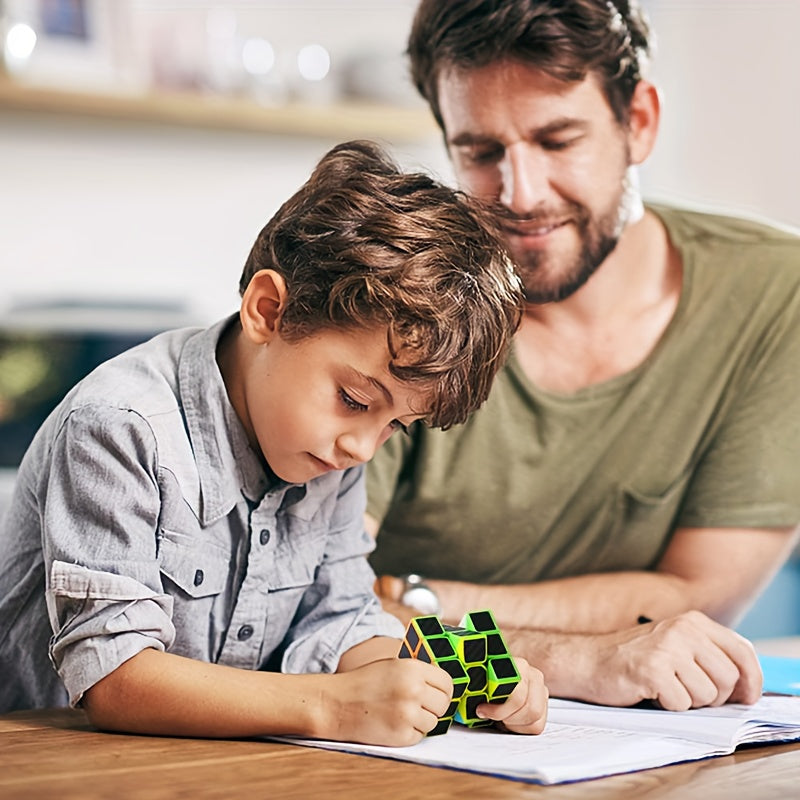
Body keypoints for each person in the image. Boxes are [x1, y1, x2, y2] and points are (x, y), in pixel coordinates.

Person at [0, 140, 549, 743]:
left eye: (395, 425)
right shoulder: (120, 427)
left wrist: (445, 684)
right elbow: (115, 680)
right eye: (356, 400)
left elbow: (339, 622)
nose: (363, 449)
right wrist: (331, 706)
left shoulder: (327, 450)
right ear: (269, 311)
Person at [366, 0, 800, 711]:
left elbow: (695, 599)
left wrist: (425, 598)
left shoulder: (777, 296)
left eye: (558, 140)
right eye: (481, 153)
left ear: (640, 123)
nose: (522, 195)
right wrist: (572, 660)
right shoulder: (399, 301)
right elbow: (316, 607)